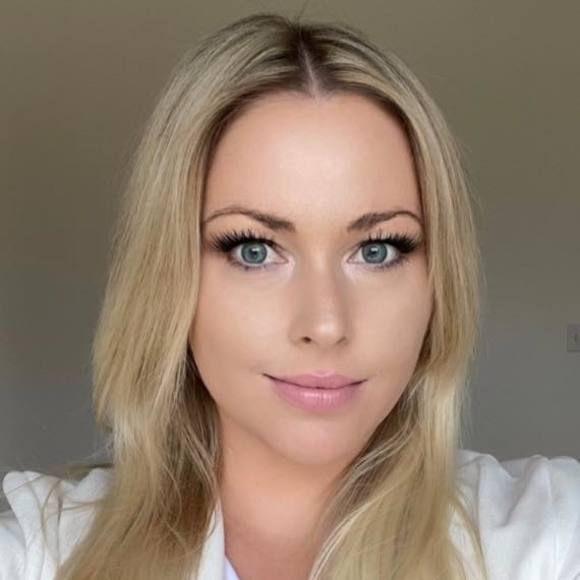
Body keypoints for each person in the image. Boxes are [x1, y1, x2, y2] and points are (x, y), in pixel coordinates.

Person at [1, 11, 579, 580]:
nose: (325, 324)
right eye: (255, 250)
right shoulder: (40, 554)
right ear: (168, 278)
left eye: (377, 250)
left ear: (438, 283)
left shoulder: (550, 538)